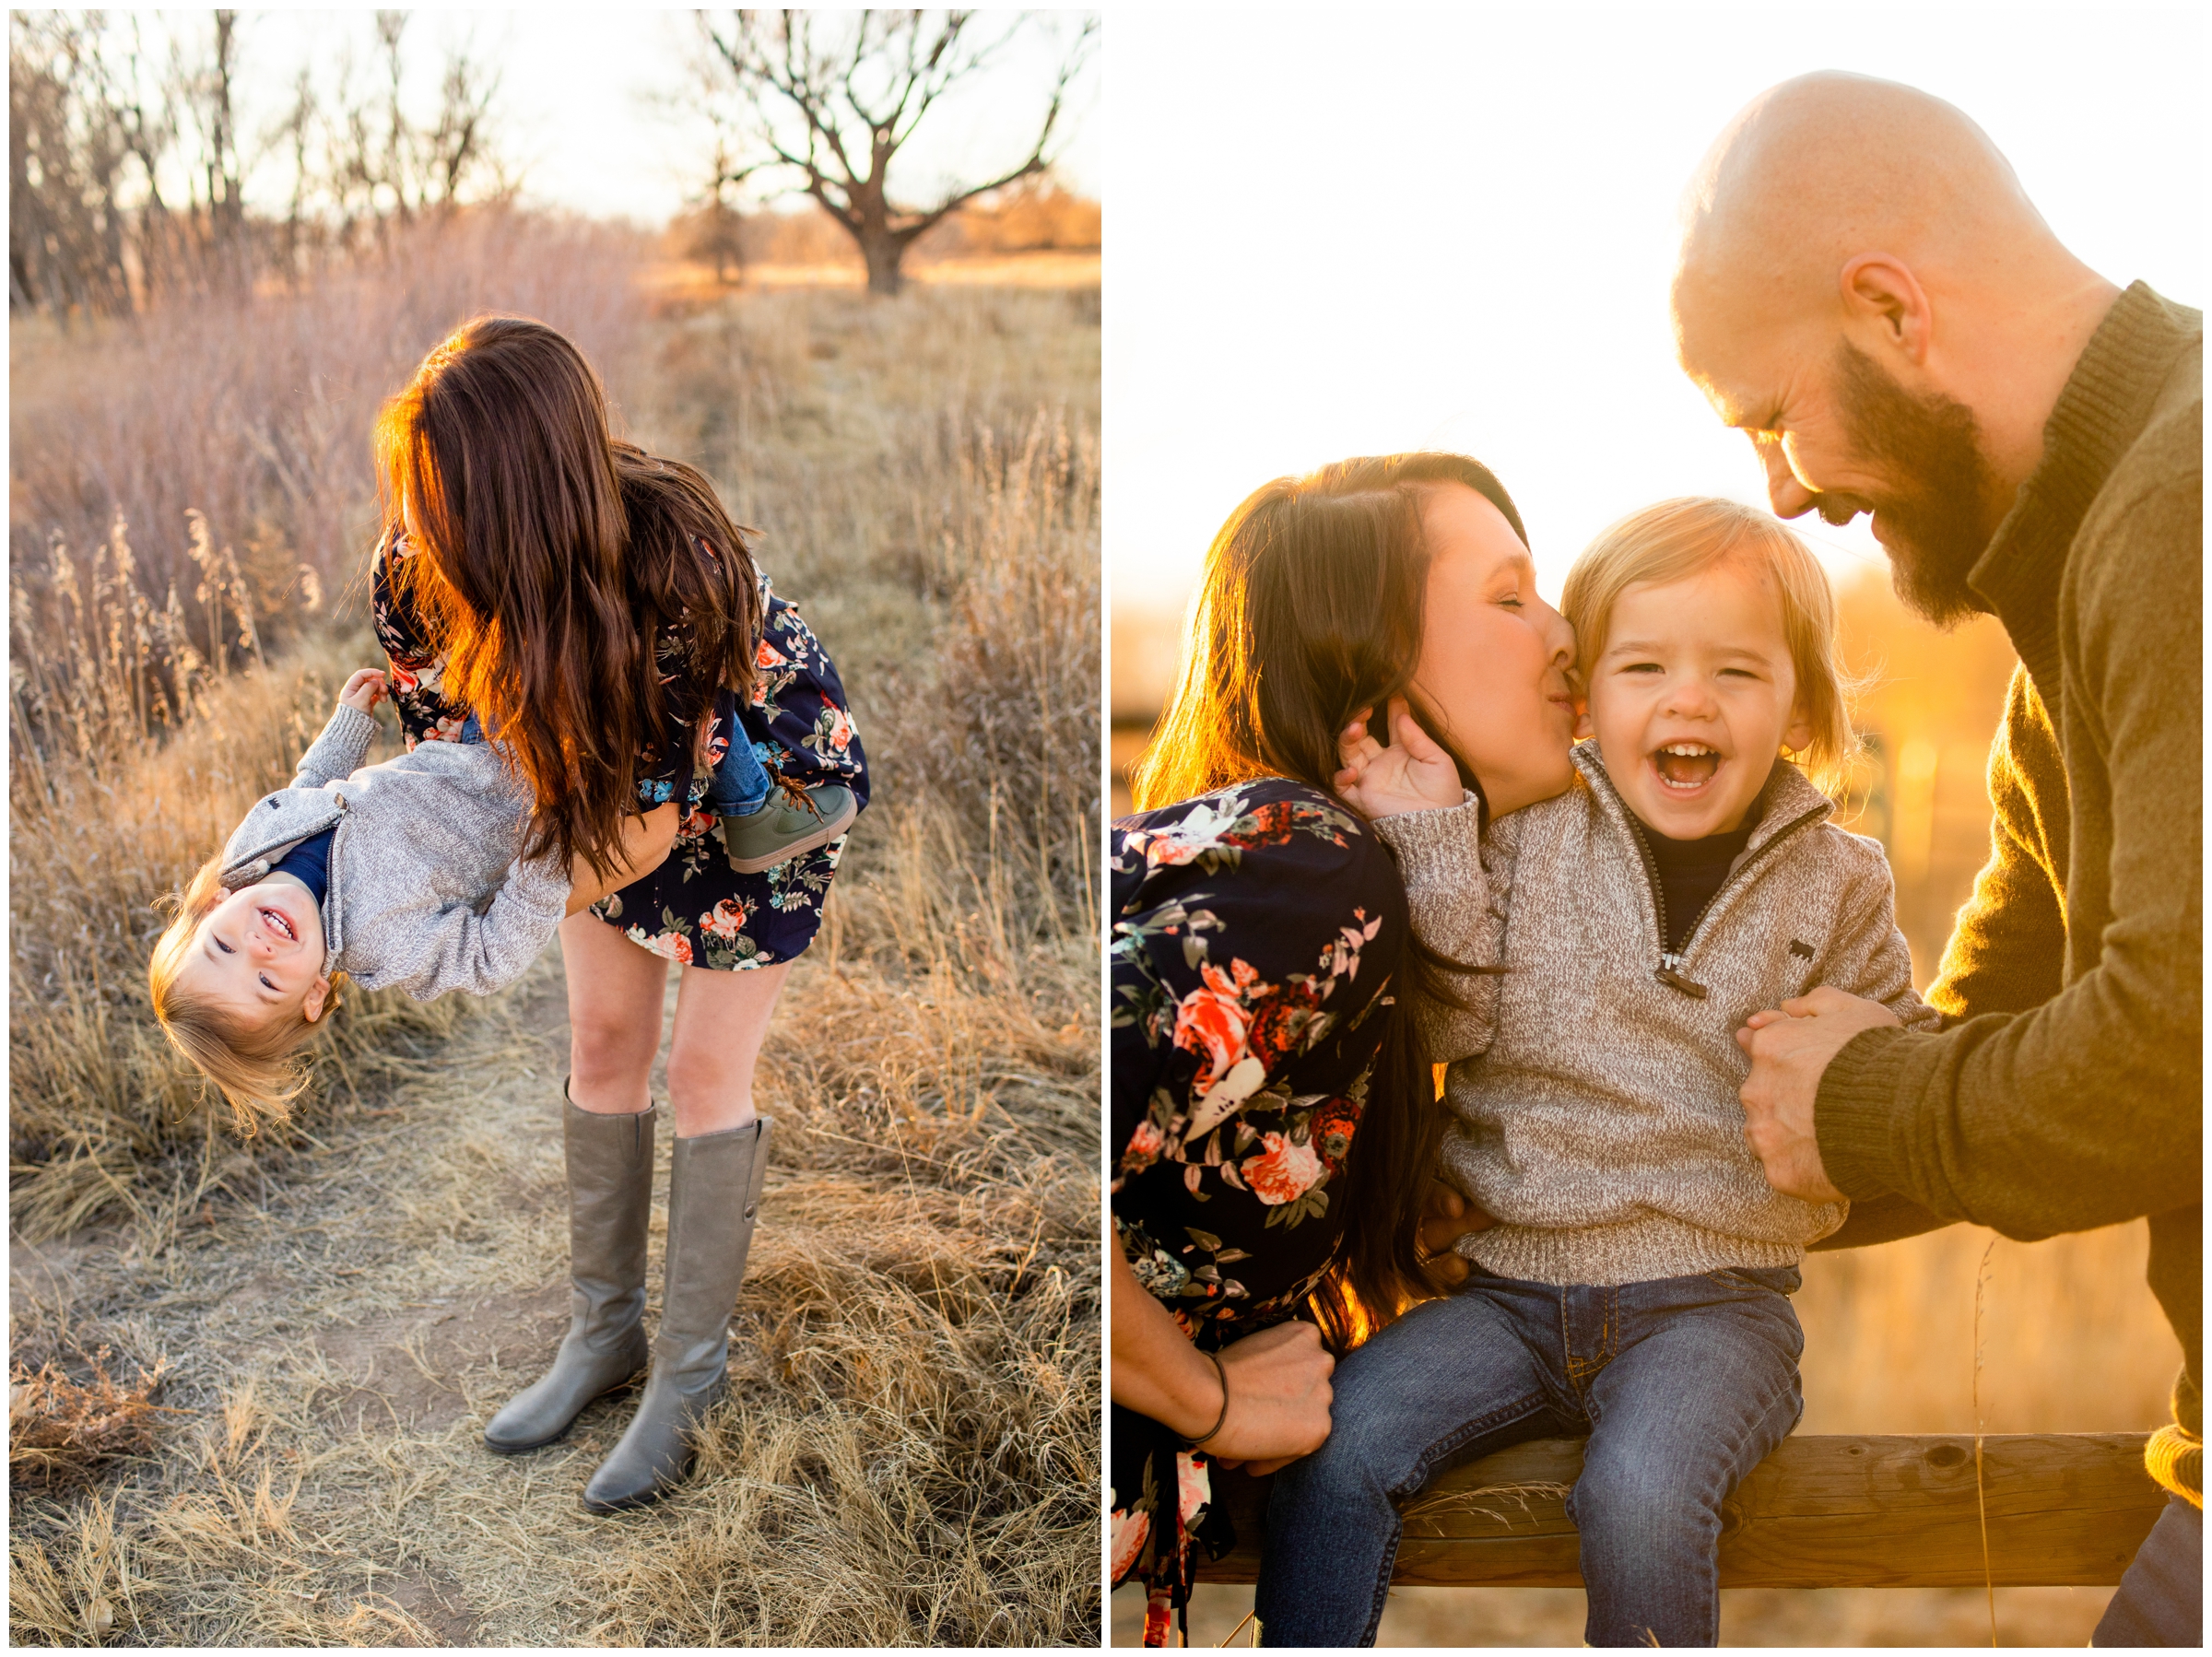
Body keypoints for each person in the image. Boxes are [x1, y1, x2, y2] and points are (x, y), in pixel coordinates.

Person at [1670, 73, 2201, 1643]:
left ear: (1894, 311)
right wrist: (1567, 1174)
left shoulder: (2185, 511)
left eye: (1772, 415)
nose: (1787, 491)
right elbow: (1966, 1047)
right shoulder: (2082, 570)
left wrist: (1858, 1100)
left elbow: (2174, 1056)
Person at [1259, 499, 1932, 1646]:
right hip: (1508, 1295)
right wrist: (1430, 842)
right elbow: (1453, 1026)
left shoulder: (1841, 882)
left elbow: (1898, 1068)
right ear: (1588, 694)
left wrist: (1876, 1060)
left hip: (1713, 1307)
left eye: (1737, 670)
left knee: (1640, 1495)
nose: (1688, 699)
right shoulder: (1527, 834)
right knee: (1338, 1446)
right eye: (1643, 665)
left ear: (1804, 705)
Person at [369, 314, 869, 1513]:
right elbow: (457, 767)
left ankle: (690, 1375)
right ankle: (606, 1337)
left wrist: (493, 931)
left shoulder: (670, 561)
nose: (425, 518)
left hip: (752, 788)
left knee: (702, 1072)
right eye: (415, 485)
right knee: (600, 1042)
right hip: (596, 782)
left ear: (527, 487)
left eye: (452, 491)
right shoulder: (413, 573)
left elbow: (654, 829)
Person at [1110, 452, 1577, 1644]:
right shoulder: (1316, 872)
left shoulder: (1306, 866)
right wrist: (1201, 1392)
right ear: (1371, 673)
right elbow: (1030, 1139)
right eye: (1512, 597)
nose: (1567, 632)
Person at [147, 669, 677, 1123]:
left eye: (222, 947)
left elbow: (306, 788)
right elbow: (487, 960)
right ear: (312, 997)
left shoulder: (248, 854)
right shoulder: (380, 944)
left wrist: (347, 724)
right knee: (650, 684)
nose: (258, 949)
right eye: (265, 982)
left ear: (213, 905)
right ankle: (747, 788)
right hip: (548, 780)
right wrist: (542, 861)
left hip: (476, 735)